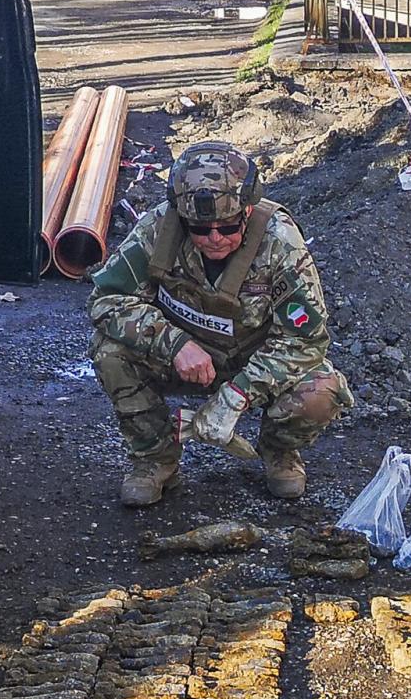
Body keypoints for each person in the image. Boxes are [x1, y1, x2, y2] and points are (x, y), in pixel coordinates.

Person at [86, 141, 352, 507]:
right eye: (200, 228)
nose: (214, 238)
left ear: (247, 212)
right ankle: (155, 458)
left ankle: (279, 450)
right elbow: (106, 299)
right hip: (183, 359)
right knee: (109, 350)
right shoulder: (157, 230)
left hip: (253, 362)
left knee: (322, 390)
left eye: (227, 227)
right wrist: (174, 344)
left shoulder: (280, 242)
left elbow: (305, 341)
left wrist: (239, 393)